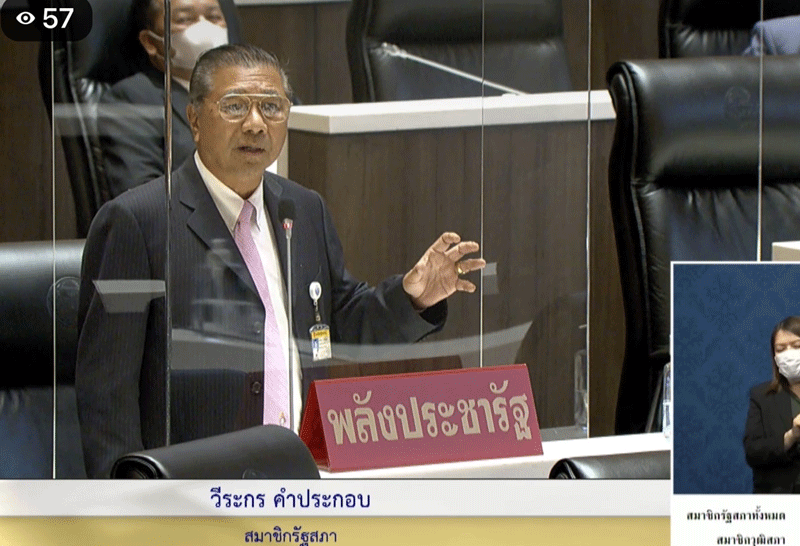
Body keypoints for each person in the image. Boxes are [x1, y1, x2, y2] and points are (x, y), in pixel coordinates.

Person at [76, 43, 486, 478]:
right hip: (194, 489)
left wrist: (412, 296)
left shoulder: (303, 209)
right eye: (235, 106)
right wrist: (128, 501)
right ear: (194, 119)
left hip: (302, 476)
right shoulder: (138, 221)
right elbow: (107, 394)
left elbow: (340, 321)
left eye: (271, 107)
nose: (256, 124)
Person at [98, 0, 232, 198]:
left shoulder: (256, 88)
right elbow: (144, 197)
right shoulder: (132, 99)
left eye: (214, 17)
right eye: (185, 19)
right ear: (150, 42)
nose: (206, 28)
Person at [743, 316, 800, 493]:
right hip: (780, 498)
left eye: (797, 346)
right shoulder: (761, 396)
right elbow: (753, 452)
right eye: (781, 349)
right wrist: (790, 436)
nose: (789, 354)